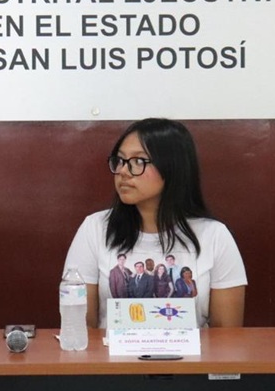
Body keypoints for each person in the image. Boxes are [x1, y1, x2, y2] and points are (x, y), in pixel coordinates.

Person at [63, 118, 247, 328]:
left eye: (138, 162)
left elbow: (227, 337)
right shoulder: (94, 229)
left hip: (193, 360)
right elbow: (78, 330)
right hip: (113, 359)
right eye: (121, 160)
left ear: (172, 168)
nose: (123, 171)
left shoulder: (215, 236)